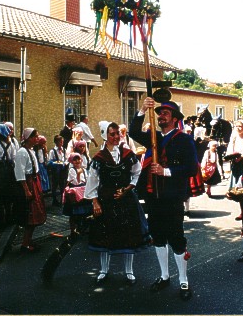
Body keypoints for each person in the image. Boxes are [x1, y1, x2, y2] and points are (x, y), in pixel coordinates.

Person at [129, 98, 198, 301]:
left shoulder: (185, 139)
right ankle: (164, 276)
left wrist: (166, 171)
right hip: (154, 196)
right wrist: (142, 109)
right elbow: (133, 132)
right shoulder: (154, 137)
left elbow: (192, 168)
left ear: (175, 118)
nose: (161, 115)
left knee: (176, 239)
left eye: (166, 113)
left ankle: (183, 281)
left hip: (173, 196)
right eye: (159, 113)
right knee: (158, 237)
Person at [85, 121, 150, 286]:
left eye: (117, 134)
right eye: (111, 134)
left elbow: (137, 171)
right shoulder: (99, 158)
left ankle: (129, 270)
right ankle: (103, 270)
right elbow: (92, 181)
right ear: (104, 135)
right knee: (105, 236)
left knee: (129, 236)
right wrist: (95, 202)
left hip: (126, 200)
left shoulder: (128, 153)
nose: (115, 137)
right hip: (106, 200)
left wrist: (128, 188)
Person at [13, 128, 46, 252]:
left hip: (34, 181)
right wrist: (26, 189)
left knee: (35, 213)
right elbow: (20, 172)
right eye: (35, 136)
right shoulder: (22, 152)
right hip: (28, 183)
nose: (37, 138)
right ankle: (25, 244)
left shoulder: (31, 150)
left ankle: (28, 240)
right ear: (28, 138)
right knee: (30, 215)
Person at [0, 123, 17, 225]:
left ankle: (2, 217)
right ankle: (8, 216)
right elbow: (14, 159)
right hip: (9, 172)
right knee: (8, 195)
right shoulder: (12, 144)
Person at [62, 152, 91, 236]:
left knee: (84, 210)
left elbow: (86, 180)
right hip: (75, 192)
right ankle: (73, 230)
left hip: (83, 192)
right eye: (75, 160)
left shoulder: (84, 169)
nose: (77, 161)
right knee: (73, 213)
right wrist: (78, 174)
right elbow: (76, 182)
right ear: (71, 161)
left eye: (78, 159)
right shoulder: (71, 170)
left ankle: (82, 227)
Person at [48, 135, 69, 206]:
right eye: (60, 142)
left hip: (63, 170)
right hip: (56, 170)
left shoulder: (64, 150)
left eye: (62, 141)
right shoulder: (52, 151)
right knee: (55, 185)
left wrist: (64, 163)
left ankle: (62, 200)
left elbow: (66, 159)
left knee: (62, 185)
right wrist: (57, 163)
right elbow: (50, 161)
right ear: (56, 142)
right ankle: (54, 200)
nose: (62, 143)